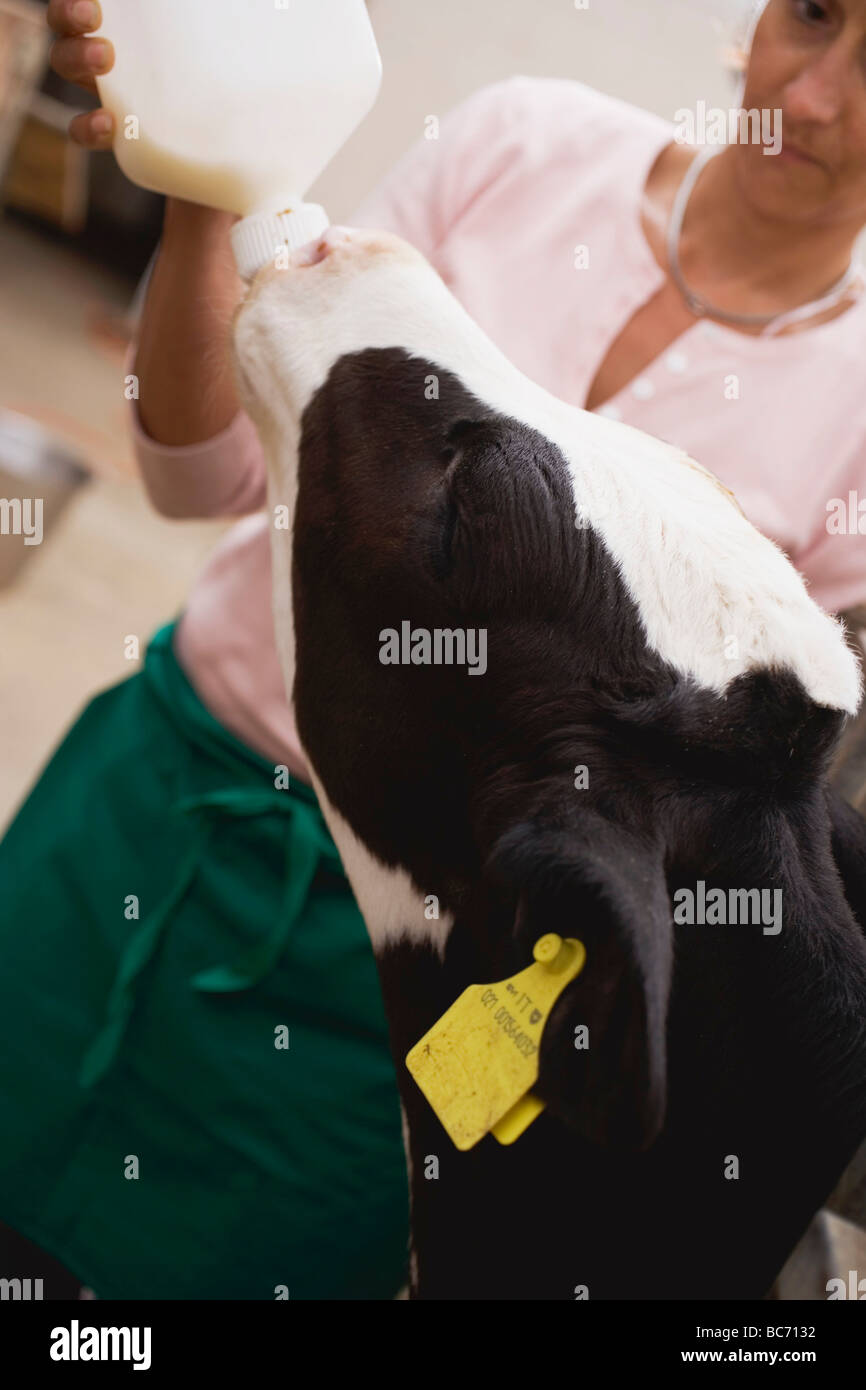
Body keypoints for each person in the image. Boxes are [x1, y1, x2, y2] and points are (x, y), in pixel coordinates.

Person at [1, 0, 865, 1298]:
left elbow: (741, 829)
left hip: (407, 1001)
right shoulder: (522, 144)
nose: (810, 97)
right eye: (812, 17)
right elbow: (202, 476)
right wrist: (196, 184)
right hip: (155, 802)